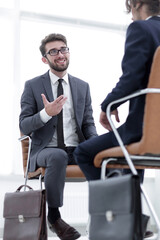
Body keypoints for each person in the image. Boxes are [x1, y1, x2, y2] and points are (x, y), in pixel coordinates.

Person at [74, 0, 160, 237]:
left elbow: (131, 78)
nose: (131, 17)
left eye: (130, 10)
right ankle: (134, 218)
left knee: (84, 152)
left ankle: (118, 214)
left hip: (143, 130)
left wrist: (107, 105)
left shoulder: (141, 29)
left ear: (137, 4)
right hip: (157, 135)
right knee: (131, 161)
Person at [19, 33, 97, 240]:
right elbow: (24, 125)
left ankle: (120, 216)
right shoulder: (33, 85)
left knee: (111, 158)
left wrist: (97, 147)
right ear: (45, 59)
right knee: (57, 156)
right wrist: (46, 113)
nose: (60, 54)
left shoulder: (82, 86)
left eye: (63, 49)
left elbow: (88, 124)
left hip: (77, 150)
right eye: (53, 51)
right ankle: (54, 218)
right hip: (45, 151)